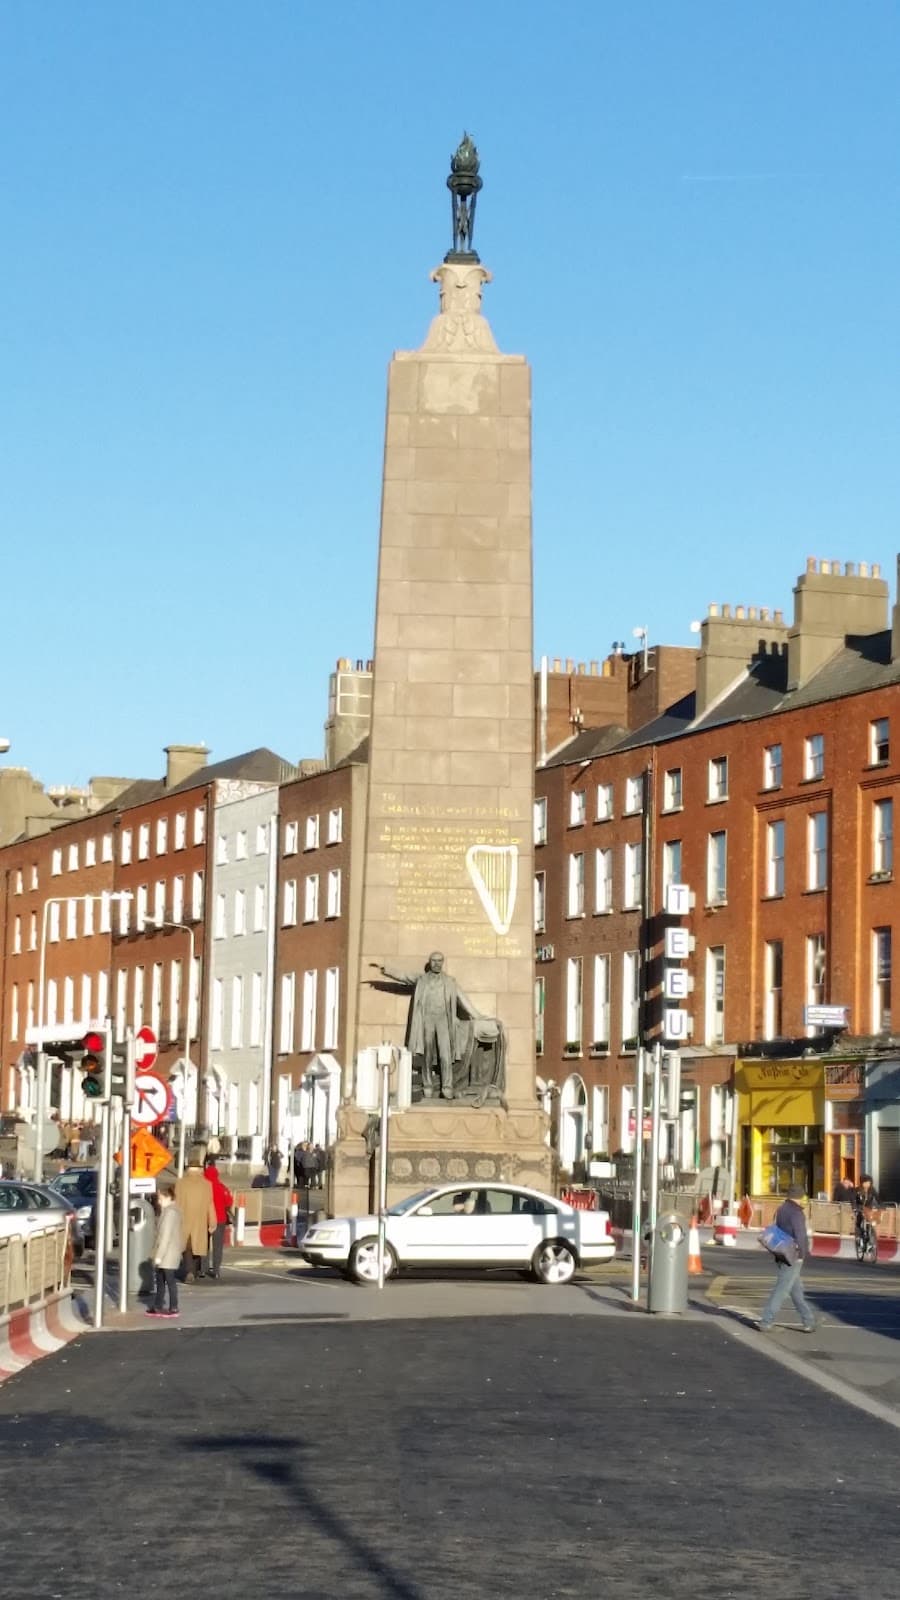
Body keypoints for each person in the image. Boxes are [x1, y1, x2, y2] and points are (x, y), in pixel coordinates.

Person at [758, 1184, 817, 1334]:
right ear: (800, 1196)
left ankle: (809, 1320)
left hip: (781, 1252)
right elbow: (800, 1235)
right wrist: (803, 1254)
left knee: (796, 1290)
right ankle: (766, 1321)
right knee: (781, 1289)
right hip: (793, 1254)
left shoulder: (782, 1209)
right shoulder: (797, 1213)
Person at [174, 1150, 217, 1282]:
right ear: (200, 1169)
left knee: (186, 1247)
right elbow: (210, 1204)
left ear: (188, 1169)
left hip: (184, 1220)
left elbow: (177, 1202)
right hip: (200, 1221)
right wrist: (213, 1222)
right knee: (198, 1247)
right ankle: (193, 1271)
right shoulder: (207, 1185)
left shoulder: (180, 1183)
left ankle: (189, 1271)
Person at [147, 1184, 182, 1319]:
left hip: (168, 1253)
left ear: (167, 1197)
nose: (158, 1201)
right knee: (161, 1279)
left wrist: (159, 1256)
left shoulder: (170, 1213)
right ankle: (158, 1305)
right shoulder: (169, 1211)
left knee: (169, 1280)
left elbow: (165, 1237)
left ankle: (174, 1307)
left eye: (160, 1198)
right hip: (168, 1252)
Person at [203, 1155, 234, 1279]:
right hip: (220, 1219)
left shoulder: (203, 1187)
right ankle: (216, 1270)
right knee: (218, 1246)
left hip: (205, 1219)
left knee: (204, 1245)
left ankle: (203, 1268)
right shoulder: (222, 1187)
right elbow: (229, 1202)